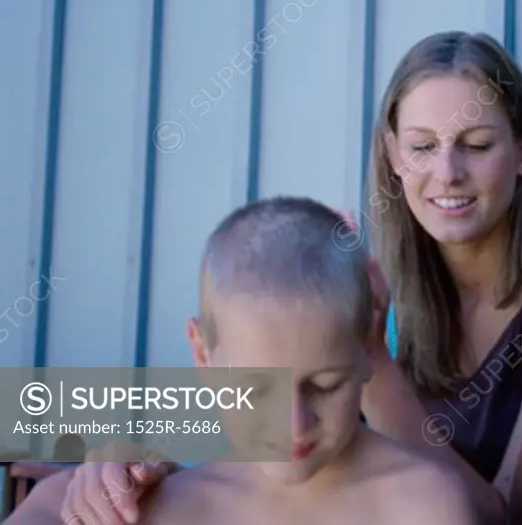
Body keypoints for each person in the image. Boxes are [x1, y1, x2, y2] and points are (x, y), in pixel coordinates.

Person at [52, 31, 522, 524]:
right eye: (421, 147)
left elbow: (507, 513)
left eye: (475, 145)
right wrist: (123, 452)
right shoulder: (356, 282)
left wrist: (375, 360)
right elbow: (261, 421)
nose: (446, 174)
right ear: (392, 155)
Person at [9, 197, 479, 525]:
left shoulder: (424, 507)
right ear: (202, 354)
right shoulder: (155, 505)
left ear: (366, 346)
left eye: (326, 384)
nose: (293, 425)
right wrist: (77, 491)